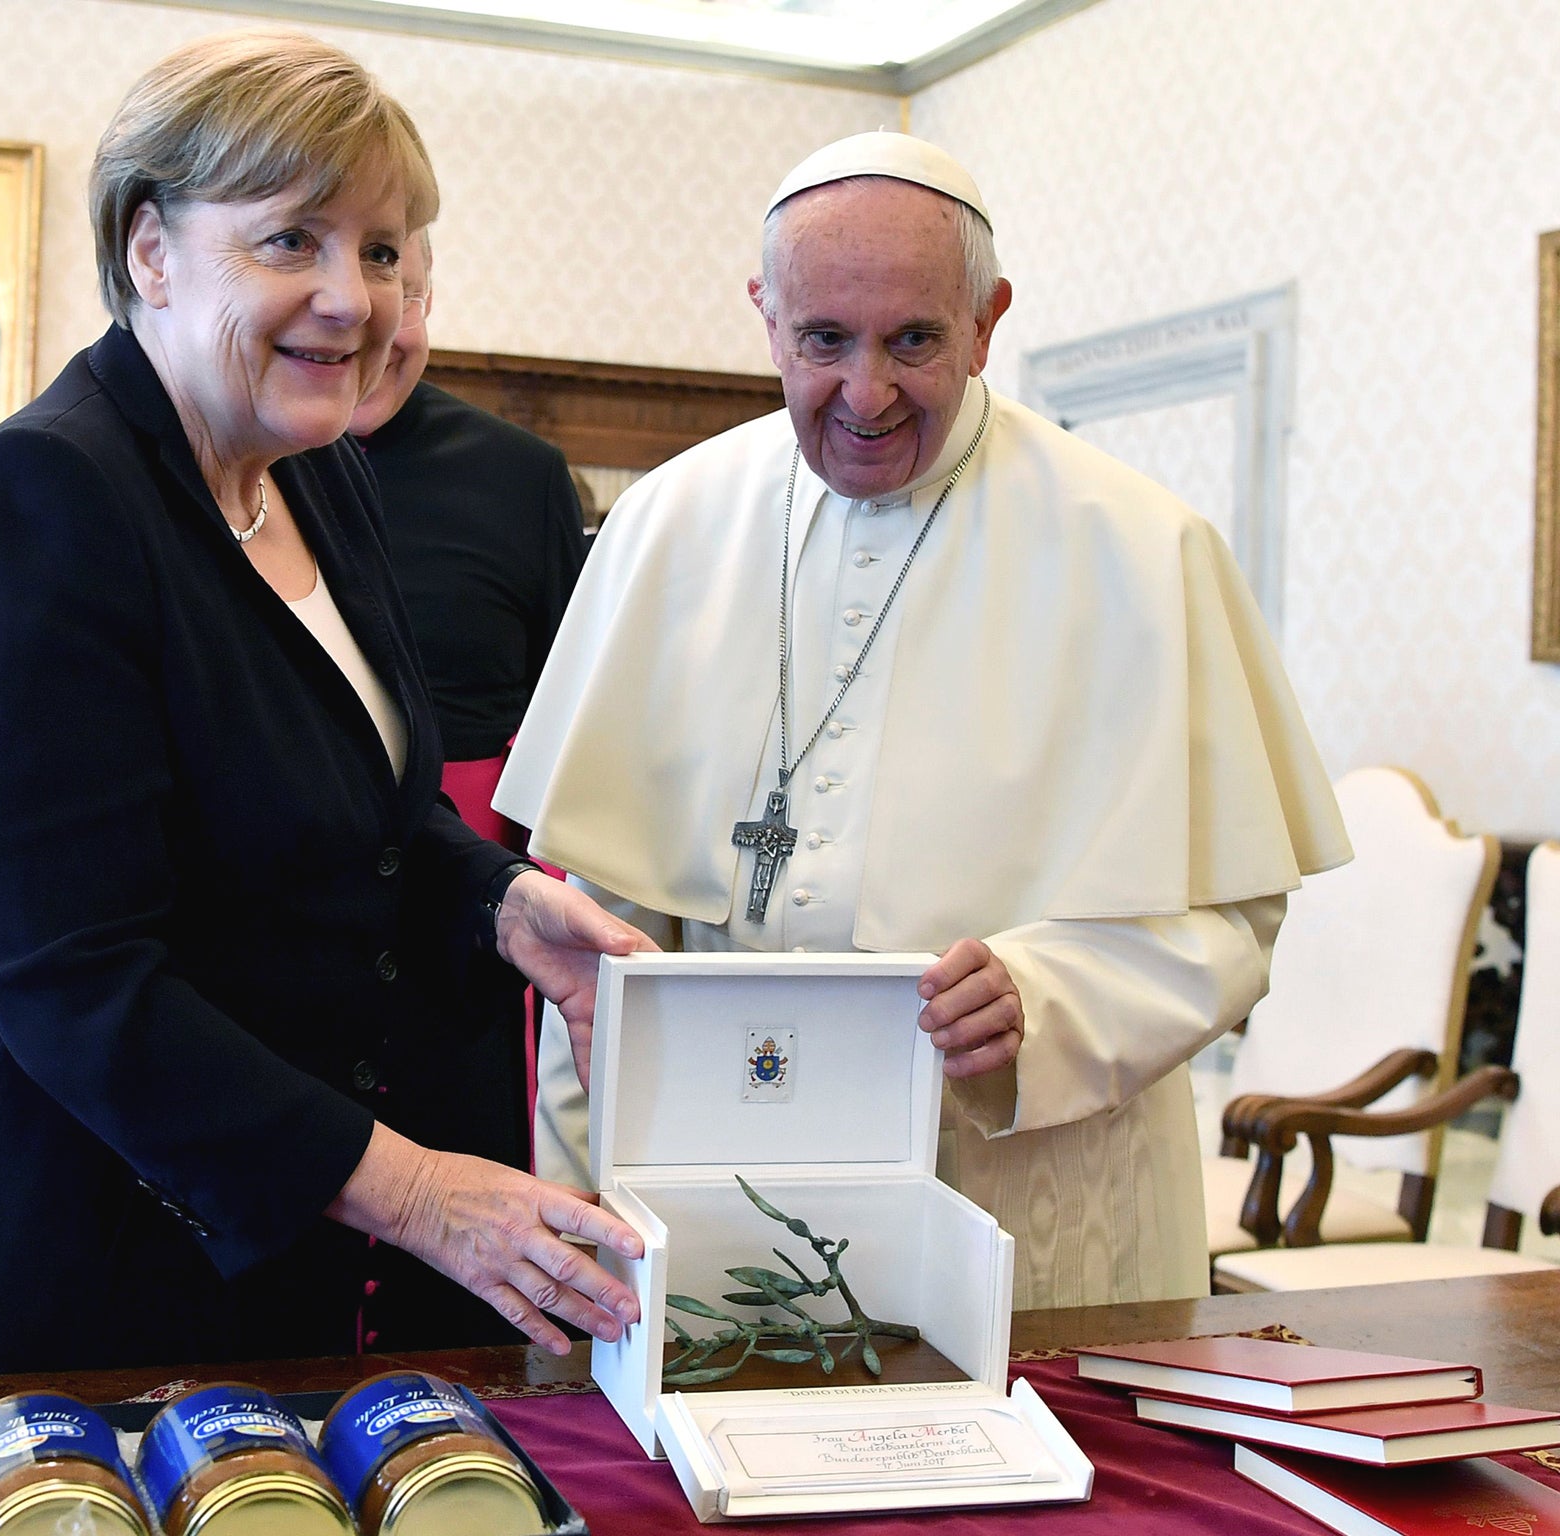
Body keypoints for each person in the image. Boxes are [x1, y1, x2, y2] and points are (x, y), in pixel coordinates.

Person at [0, 29, 653, 1379]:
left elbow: (364, 814)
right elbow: (75, 978)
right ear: (151, 248)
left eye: (381, 250)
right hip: (53, 1251)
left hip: (260, 1234)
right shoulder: (40, 507)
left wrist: (502, 904)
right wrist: (425, 1195)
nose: (352, 298)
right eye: (292, 242)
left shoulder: (315, 473)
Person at [495, 132, 1352, 1310]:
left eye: (913, 340)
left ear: (987, 319)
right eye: (821, 341)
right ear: (763, 314)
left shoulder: (1139, 548)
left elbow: (1230, 918)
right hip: (716, 1195)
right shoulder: (664, 525)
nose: (864, 391)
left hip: (1029, 1203)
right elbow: (594, 935)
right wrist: (586, 1209)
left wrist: (1045, 998)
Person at [349, 229, 587, 845]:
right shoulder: (219, 460)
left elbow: (568, 712)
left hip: (472, 883)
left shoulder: (523, 475)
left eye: (401, 295)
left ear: (428, 299)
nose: (367, 327)